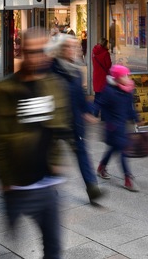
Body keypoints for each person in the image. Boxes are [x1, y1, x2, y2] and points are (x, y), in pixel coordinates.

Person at [0, 27, 71, 259]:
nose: (36, 57)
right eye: (31, 52)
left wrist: (56, 161)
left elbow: (60, 126)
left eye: (42, 51)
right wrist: (6, 179)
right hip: (17, 185)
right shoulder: (2, 91)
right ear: (21, 51)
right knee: (7, 245)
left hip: (46, 184)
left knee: (53, 248)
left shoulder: (55, 85)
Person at [48, 34, 102, 203]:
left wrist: (89, 111)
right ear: (60, 50)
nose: (73, 50)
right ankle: (50, 189)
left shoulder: (76, 71)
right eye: (68, 47)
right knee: (51, 156)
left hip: (74, 123)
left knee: (82, 154)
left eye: (75, 47)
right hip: (54, 123)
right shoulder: (51, 69)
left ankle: (92, 188)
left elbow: (80, 97)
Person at [94, 64, 141, 192]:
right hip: (112, 127)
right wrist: (92, 114)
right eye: (125, 75)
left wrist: (136, 118)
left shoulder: (128, 90)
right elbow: (99, 103)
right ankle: (128, 179)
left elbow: (130, 107)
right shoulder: (109, 91)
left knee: (114, 148)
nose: (128, 78)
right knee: (122, 151)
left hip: (122, 125)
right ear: (118, 78)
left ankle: (101, 167)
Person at [92, 37, 112, 102]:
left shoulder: (94, 51)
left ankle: (95, 111)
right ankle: (103, 111)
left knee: (97, 95)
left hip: (96, 75)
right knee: (104, 96)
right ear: (105, 44)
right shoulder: (106, 53)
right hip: (103, 76)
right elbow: (108, 65)